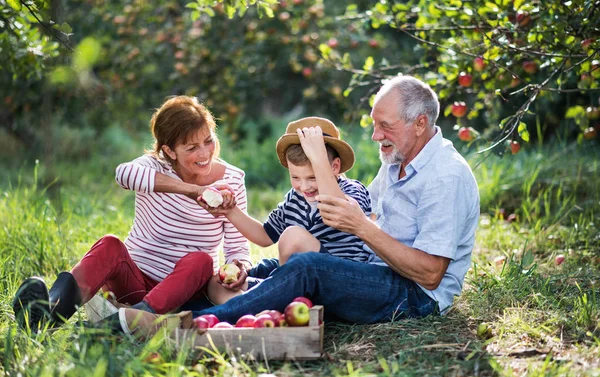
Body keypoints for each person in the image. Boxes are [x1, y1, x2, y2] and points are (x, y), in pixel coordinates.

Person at [115, 75, 481, 335]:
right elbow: (348, 224)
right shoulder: (397, 162)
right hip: (374, 269)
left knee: (308, 268)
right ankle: (155, 310)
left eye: (384, 126)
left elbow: (431, 273)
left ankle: (192, 326)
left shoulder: (444, 177)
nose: (375, 136)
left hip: (414, 294)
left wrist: (361, 227)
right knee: (255, 272)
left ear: (419, 124)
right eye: (374, 125)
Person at [12, 95, 248, 332]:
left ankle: (130, 323)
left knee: (202, 260)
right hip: (135, 283)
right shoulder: (154, 166)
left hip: (183, 292)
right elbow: (123, 174)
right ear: (170, 151)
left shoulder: (232, 180)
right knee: (110, 245)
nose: (205, 153)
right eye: (192, 147)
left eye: (208, 141)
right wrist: (192, 190)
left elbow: (237, 247)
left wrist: (239, 267)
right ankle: (48, 312)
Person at [201, 116, 372, 305]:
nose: (304, 186)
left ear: (334, 167)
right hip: (296, 280)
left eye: (312, 177)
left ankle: (272, 302)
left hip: (340, 281)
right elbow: (265, 236)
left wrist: (319, 161)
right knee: (217, 283)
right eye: (295, 177)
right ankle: (252, 309)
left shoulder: (352, 191)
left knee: (293, 237)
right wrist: (230, 211)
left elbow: (336, 211)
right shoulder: (295, 198)